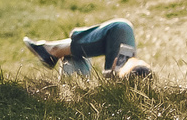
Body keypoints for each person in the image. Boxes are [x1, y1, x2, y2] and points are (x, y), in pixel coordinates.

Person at [23, 20, 152, 80]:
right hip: (125, 81)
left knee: (75, 56)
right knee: (122, 27)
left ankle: (56, 49)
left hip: (114, 98)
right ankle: (59, 49)